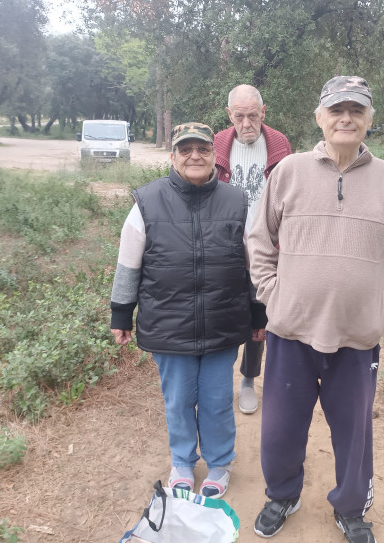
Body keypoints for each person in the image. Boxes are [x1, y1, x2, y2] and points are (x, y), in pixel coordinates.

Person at [247, 77, 384, 543]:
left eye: (356, 110)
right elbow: (259, 239)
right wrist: (271, 293)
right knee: (281, 428)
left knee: (354, 433)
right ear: (319, 118)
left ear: (369, 120)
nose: (346, 118)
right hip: (291, 331)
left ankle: (350, 508)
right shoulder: (289, 171)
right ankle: (282, 494)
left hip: (358, 337)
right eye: (336, 110)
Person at [110, 122, 267, 499]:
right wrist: (121, 313)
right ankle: (181, 461)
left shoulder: (237, 201)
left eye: (202, 148)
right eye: (186, 149)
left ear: (216, 155)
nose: (194, 155)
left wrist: (258, 314)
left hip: (223, 321)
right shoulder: (147, 201)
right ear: (173, 156)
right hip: (168, 324)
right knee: (178, 399)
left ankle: (219, 463)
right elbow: (128, 264)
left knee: (216, 400)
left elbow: (254, 264)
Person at [213, 84, 292, 414]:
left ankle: (248, 380)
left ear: (264, 113)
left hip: (265, 248)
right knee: (223, 314)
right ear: (229, 114)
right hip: (226, 247)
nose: (247, 124)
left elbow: (290, 194)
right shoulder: (217, 143)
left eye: (253, 116)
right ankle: (219, 383)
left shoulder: (279, 145)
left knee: (261, 318)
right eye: (240, 116)